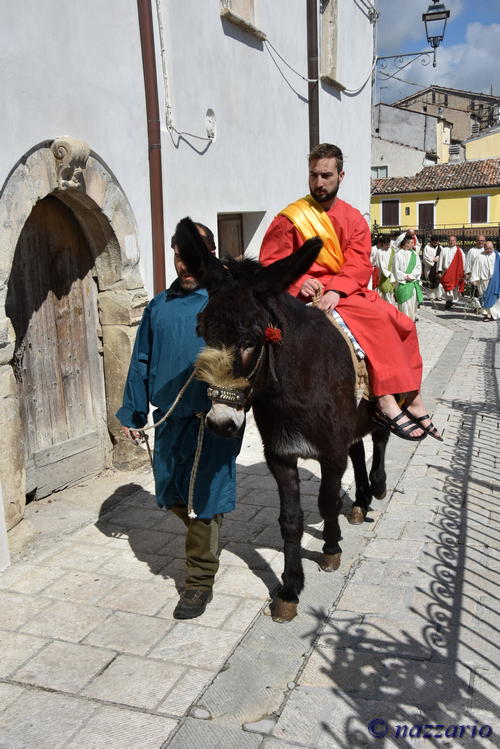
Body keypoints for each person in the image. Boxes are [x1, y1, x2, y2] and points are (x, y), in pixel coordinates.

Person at [259, 142, 442, 442]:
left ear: (341, 176)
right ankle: (384, 399)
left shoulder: (354, 218)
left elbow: (358, 261)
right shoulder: (291, 218)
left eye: (326, 175)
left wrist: (338, 291)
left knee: (402, 322)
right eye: (314, 175)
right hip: (300, 298)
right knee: (374, 323)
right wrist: (298, 280)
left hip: (344, 293)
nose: (319, 182)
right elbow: (271, 261)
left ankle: (409, 396)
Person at [117, 222, 242, 619]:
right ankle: (208, 529)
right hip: (168, 418)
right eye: (179, 255)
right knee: (170, 492)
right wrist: (133, 412)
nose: (185, 265)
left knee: (203, 497)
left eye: (194, 256)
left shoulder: (226, 302)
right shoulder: (159, 305)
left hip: (212, 422)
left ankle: (198, 581)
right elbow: (142, 360)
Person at [394, 235, 423, 321]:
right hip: (403, 284)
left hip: (412, 283)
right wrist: (405, 277)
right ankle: (404, 322)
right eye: (412, 243)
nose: (413, 245)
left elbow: (418, 267)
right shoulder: (398, 255)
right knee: (404, 305)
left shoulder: (414, 254)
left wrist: (411, 276)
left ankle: (412, 320)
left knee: (412, 305)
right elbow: (396, 270)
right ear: (406, 243)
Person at [471, 240, 500, 320]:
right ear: (484, 248)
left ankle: (494, 315)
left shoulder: (498, 255)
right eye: (487, 249)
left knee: (495, 299)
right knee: (485, 298)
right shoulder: (480, 256)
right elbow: (475, 268)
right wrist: (474, 278)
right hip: (483, 281)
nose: (489, 250)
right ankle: (486, 315)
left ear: (493, 247)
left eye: (490, 248)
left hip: (495, 281)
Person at [437, 235, 465, 309]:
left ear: (455, 241)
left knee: (455, 287)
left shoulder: (459, 250)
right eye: (450, 240)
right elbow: (440, 260)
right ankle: (448, 300)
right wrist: (439, 271)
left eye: (453, 240)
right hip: (446, 271)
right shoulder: (444, 249)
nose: (451, 242)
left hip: (456, 272)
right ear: (448, 241)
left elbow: (463, 261)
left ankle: (453, 300)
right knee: (447, 286)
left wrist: (464, 271)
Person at [374, 234, 396, 305]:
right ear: (382, 244)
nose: (387, 246)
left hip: (392, 273)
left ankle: (391, 305)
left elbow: (395, 261)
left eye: (388, 244)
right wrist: (387, 273)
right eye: (385, 244)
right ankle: (386, 305)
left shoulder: (392, 250)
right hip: (384, 274)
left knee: (391, 291)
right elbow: (379, 264)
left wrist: (393, 273)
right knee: (384, 290)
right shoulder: (380, 252)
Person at [426, 235, 444, 302]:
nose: (436, 243)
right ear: (431, 241)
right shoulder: (427, 248)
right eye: (434, 242)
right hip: (430, 267)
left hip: (438, 267)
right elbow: (426, 257)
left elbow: (443, 256)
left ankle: (438, 296)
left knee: (438, 282)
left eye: (437, 242)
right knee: (431, 282)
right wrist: (433, 260)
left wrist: (438, 260)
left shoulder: (441, 248)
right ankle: (431, 296)